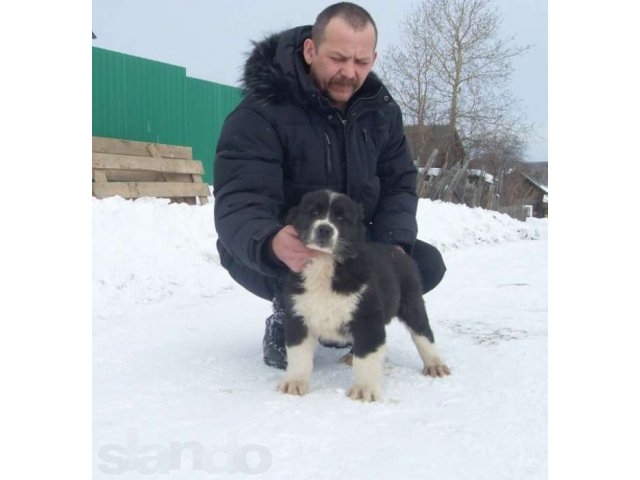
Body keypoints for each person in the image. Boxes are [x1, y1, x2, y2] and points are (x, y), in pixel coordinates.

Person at [213, 2, 446, 369]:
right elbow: (241, 199)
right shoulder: (260, 112)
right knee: (283, 261)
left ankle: (350, 319)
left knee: (424, 266)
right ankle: (289, 315)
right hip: (288, 248)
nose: (349, 73)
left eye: (361, 62)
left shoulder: (381, 112)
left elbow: (399, 182)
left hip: (349, 245)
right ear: (310, 50)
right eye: (337, 58)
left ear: (373, 58)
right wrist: (270, 240)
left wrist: (393, 245)